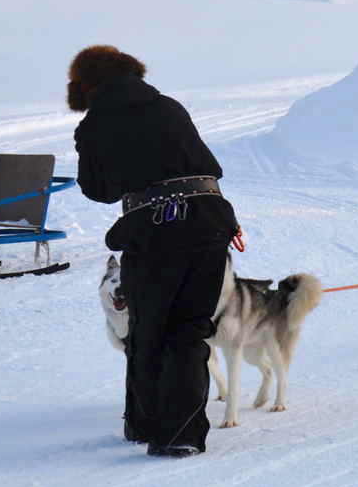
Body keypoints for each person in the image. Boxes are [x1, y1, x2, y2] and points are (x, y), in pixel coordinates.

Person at [70, 46, 240, 458]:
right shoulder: (169, 107)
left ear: (87, 84)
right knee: (190, 327)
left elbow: (99, 190)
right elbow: (207, 167)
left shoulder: (96, 123)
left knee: (149, 328)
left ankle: (145, 424)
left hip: (153, 228)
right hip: (209, 219)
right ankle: (181, 434)